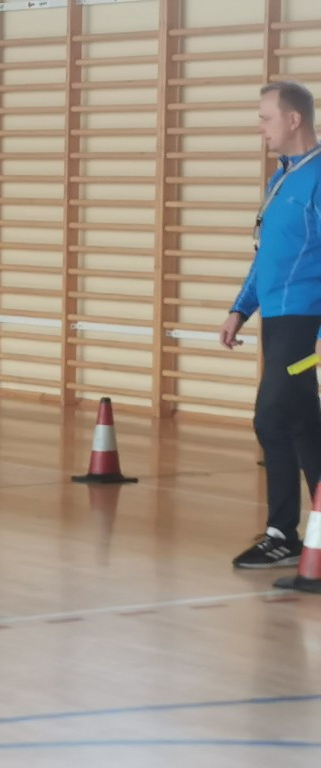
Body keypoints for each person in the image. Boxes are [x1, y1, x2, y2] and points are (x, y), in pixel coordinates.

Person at [221, 81, 321, 568]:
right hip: (279, 320)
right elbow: (267, 259)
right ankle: (307, 536)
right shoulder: (281, 179)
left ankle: (282, 533)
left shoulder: (320, 176)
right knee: (303, 423)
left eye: (265, 118)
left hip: (308, 321)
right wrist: (241, 308)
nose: (260, 127)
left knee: (271, 416)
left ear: (294, 120)